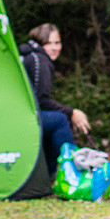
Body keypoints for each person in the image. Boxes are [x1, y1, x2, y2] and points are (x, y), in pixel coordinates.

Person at [19, 23, 90, 172]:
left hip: (18, 114)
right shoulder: (40, 60)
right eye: (48, 43)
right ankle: (70, 171)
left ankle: (51, 172)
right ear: (39, 44)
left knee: (53, 120)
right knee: (60, 120)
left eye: (57, 43)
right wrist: (72, 113)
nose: (55, 48)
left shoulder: (28, 55)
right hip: (22, 117)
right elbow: (41, 101)